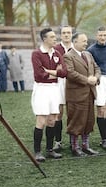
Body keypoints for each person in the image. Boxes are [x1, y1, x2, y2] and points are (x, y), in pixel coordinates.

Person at [31, 28, 67, 162]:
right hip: (42, 89)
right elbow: (39, 74)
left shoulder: (57, 53)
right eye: (52, 37)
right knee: (41, 120)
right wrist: (55, 72)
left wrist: (50, 72)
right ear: (44, 39)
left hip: (54, 88)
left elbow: (64, 73)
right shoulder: (37, 54)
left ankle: (50, 149)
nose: (55, 39)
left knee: (52, 119)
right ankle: (37, 151)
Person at [64, 32, 101, 156]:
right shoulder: (68, 56)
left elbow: (96, 68)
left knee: (88, 121)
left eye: (86, 41)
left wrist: (96, 78)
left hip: (89, 94)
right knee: (76, 120)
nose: (86, 43)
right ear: (75, 42)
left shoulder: (88, 54)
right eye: (83, 41)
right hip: (76, 95)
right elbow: (70, 73)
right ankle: (75, 147)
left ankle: (85, 146)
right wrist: (87, 80)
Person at [53, 25, 73, 152]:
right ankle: (58, 141)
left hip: (73, 82)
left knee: (72, 112)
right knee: (59, 112)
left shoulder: (75, 48)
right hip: (59, 82)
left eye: (69, 33)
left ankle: (73, 141)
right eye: (64, 33)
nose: (66, 35)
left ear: (72, 34)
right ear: (61, 35)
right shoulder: (55, 49)